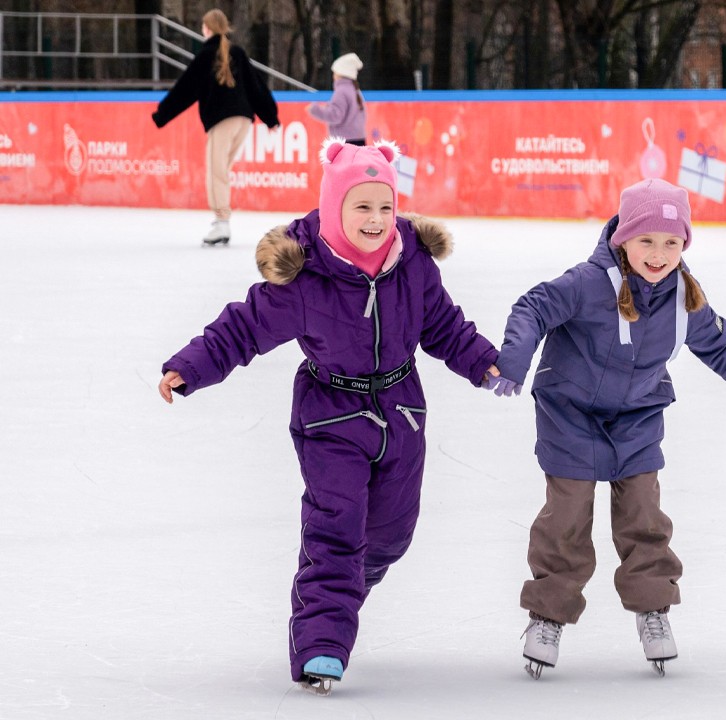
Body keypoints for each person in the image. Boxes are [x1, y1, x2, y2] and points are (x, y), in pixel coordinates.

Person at [157, 138, 500, 693]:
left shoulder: (411, 261)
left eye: (385, 207)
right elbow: (242, 328)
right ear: (334, 205)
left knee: (391, 534)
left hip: (402, 409)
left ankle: (339, 591)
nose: (376, 219)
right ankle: (321, 643)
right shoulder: (307, 273)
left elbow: (443, 325)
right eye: (362, 206)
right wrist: (190, 368)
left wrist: (483, 362)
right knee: (337, 532)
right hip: (330, 417)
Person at [484, 178, 726, 679]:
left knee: (643, 512)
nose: (658, 254)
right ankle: (547, 617)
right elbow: (534, 306)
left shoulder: (683, 298)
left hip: (636, 415)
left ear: (684, 245)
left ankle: (653, 610)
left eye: (672, 243)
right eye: (647, 241)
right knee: (567, 514)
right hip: (569, 412)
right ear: (623, 240)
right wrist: (514, 359)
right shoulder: (590, 283)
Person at [152, 8, 279, 246]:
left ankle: (222, 223)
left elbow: (184, 90)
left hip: (222, 121)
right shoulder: (238, 53)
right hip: (243, 121)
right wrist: (270, 117)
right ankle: (221, 221)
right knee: (222, 171)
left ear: (206, 29)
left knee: (216, 171)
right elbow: (257, 86)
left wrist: (162, 114)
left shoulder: (206, 56)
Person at [306, 53, 367, 146]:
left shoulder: (341, 92)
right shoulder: (355, 90)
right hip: (359, 139)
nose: (333, 75)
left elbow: (335, 116)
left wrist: (315, 109)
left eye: (334, 72)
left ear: (341, 73)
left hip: (345, 142)